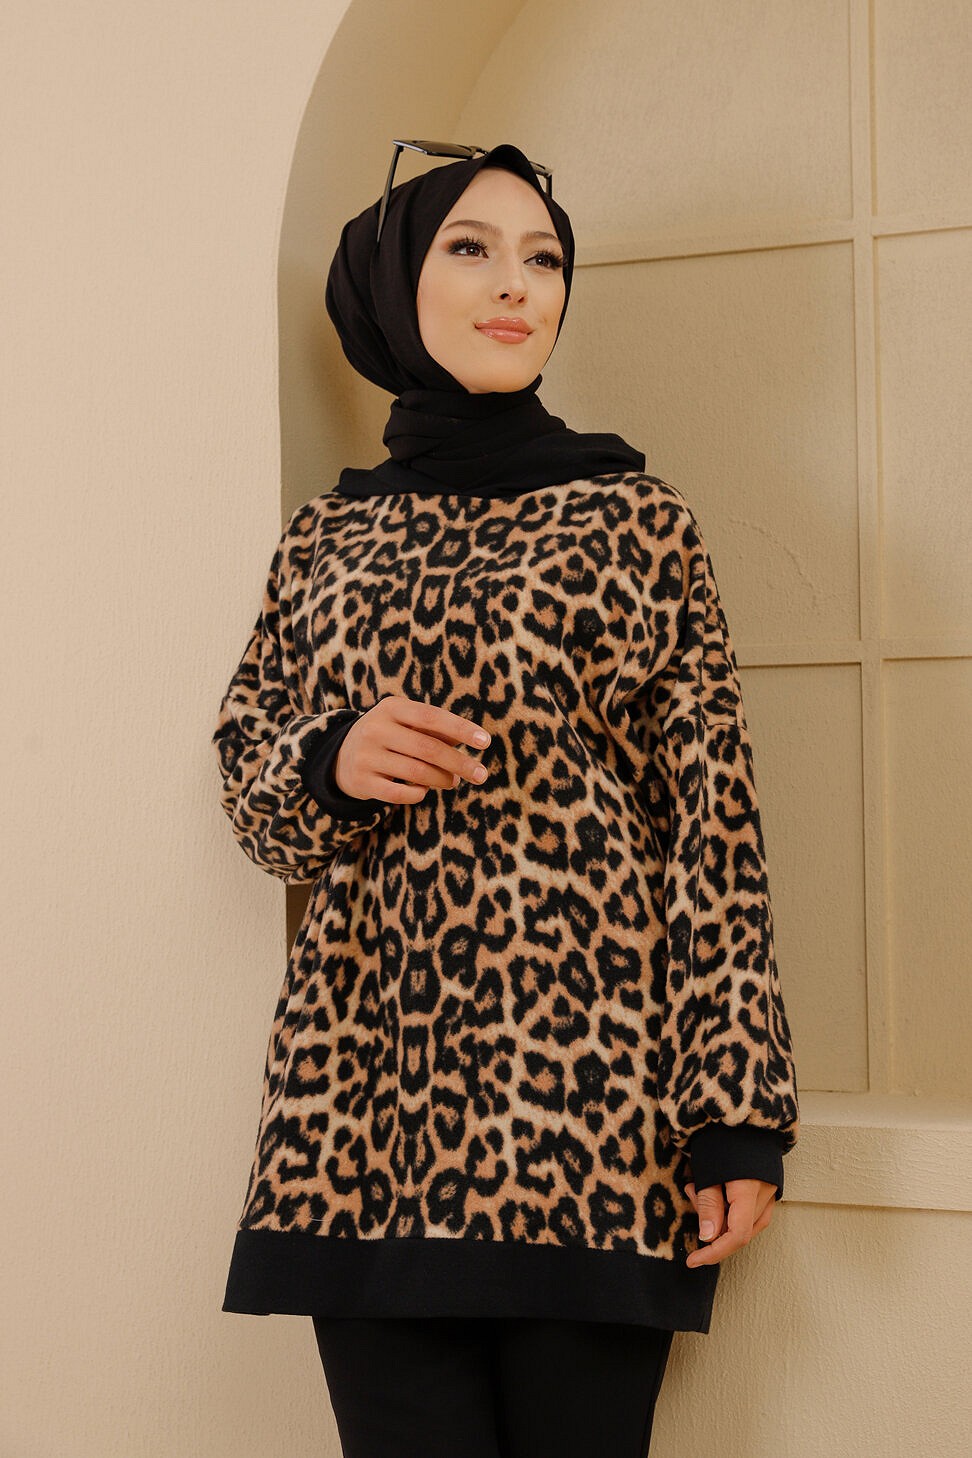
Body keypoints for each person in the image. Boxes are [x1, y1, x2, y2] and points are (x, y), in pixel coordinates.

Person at [212, 140, 801, 1458]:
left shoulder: (638, 520)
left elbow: (716, 832)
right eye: (470, 248)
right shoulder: (325, 536)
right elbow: (251, 787)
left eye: (544, 258)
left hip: (593, 1128)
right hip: (360, 1127)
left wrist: (737, 1115)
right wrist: (332, 759)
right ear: (390, 285)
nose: (516, 284)